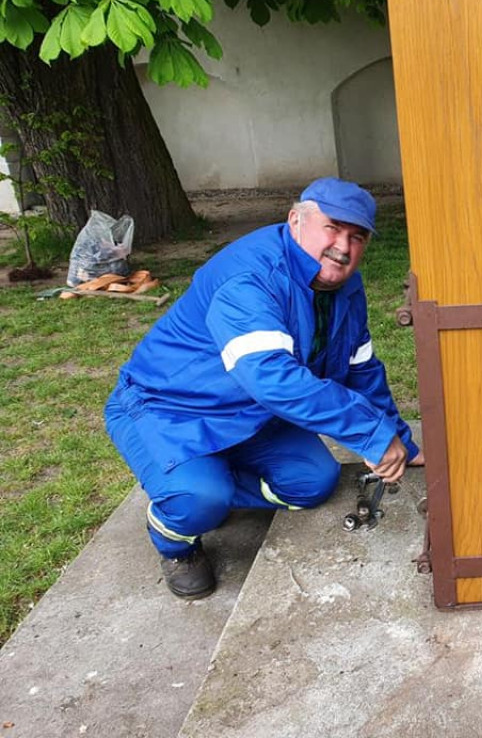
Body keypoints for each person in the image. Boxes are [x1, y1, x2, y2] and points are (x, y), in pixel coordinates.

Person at [105, 177, 422, 600]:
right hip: (167, 408)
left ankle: (210, 484)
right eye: (332, 228)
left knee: (313, 482)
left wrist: (401, 439)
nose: (343, 247)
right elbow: (273, 378)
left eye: (357, 236)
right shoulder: (250, 278)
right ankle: (176, 539)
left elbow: (360, 368)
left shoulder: (344, 287)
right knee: (198, 499)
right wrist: (369, 434)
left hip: (249, 414)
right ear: (296, 220)